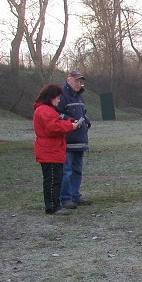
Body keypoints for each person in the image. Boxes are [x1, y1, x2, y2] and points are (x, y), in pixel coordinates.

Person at [33, 84, 82, 215]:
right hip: (49, 150)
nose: (59, 101)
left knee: (55, 179)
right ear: (51, 97)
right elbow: (53, 128)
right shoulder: (44, 110)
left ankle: (55, 204)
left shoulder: (47, 110)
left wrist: (69, 122)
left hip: (52, 150)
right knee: (52, 180)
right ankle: (52, 206)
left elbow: (57, 122)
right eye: (58, 98)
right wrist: (70, 126)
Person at [58, 70, 92, 208]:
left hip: (80, 140)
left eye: (80, 81)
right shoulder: (61, 95)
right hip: (68, 140)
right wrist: (71, 121)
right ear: (68, 79)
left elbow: (82, 112)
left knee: (77, 170)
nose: (79, 84)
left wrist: (86, 120)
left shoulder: (79, 96)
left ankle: (75, 195)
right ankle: (65, 198)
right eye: (76, 81)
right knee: (66, 171)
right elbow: (56, 114)